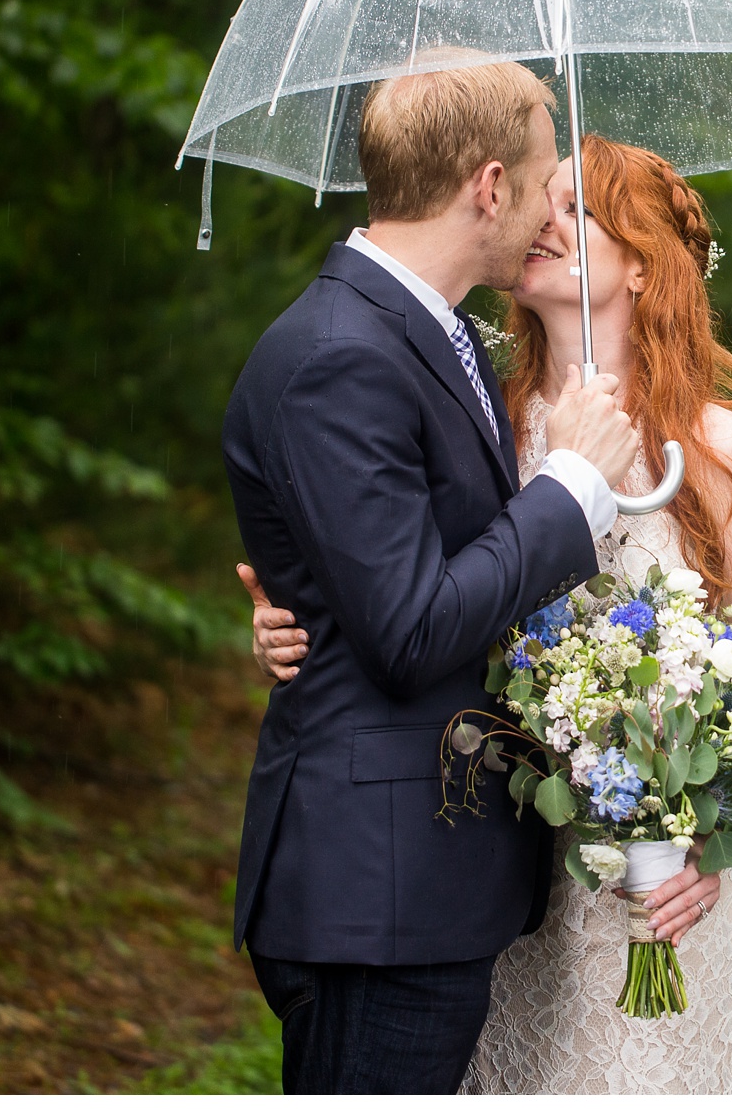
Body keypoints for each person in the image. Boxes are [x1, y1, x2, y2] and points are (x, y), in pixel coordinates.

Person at [245, 133, 732, 1093]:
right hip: (497, 861)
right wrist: (297, 627)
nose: (546, 221)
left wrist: (712, 844)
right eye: (544, 201)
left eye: (578, 210)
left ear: (642, 264)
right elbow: (408, 601)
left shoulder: (719, 451)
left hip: (658, 873)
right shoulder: (482, 434)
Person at [220, 59, 641, 1094]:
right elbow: (408, 625)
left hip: (425, 877)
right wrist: (574, 484)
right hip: (378, 891)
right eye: (548, 183)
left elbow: (389, 567)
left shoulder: (432, 328)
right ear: (487, 186)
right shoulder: (340, 354)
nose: (555, 209)